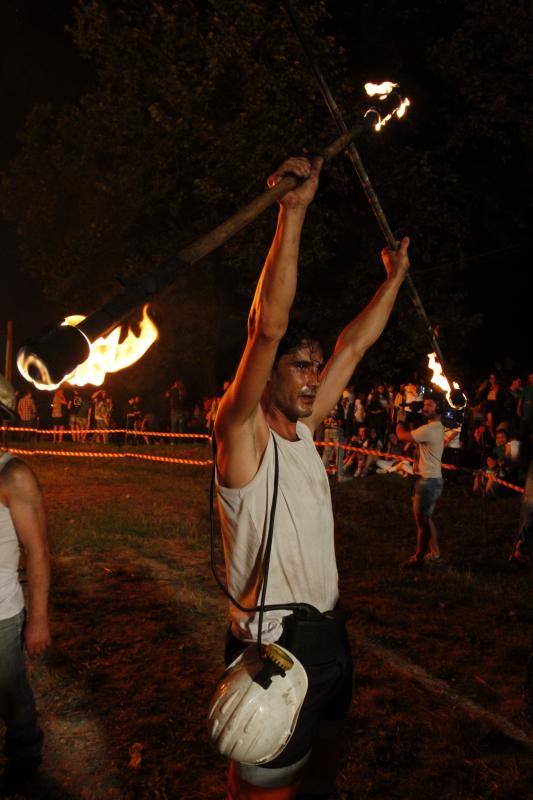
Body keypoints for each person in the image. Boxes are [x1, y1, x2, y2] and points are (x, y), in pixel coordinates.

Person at [213, 155, 410, 799]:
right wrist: (292, 215)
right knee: (265, 789)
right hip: (273, 652)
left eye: (314, 366)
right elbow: (266, 328)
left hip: (328, 638)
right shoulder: (242, 435)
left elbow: (354, 346)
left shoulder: (305, 432)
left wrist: (394, 280)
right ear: (267, 373)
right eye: (299, 365)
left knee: (319, 775)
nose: (313, 376)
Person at [0, 374, 51, 792]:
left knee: (10, 693)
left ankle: (25, 752)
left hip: (1, 614)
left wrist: (38, 620)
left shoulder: (12, 475)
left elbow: (37, 552)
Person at [396, 394, 445, 567]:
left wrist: (399, 420)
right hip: (431, 480)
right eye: (424, 405)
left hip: (428, 482)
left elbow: (402, 436)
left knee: (421, 523)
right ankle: (435, 554)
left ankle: (418, 558)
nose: (425, 408)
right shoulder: (434, 427)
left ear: (439, 408)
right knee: (426, 519)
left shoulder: (430, 430)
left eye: (429, 405)